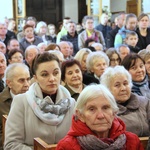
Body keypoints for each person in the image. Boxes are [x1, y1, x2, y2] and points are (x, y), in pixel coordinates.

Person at [4, 52, 76, 149]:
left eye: (56, 73)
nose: (52, 79)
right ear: (35, 78)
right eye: (45, 75)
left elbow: (77, 139)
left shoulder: (71, 103)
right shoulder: (21, 102)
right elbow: (11, 144)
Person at [56, 84, 144, 150]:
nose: (100, 116)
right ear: (80, 115)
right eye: (92, 109)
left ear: (114, 113)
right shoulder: (66, 146)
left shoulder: (132, 142)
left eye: (105, 108)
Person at [101, 65, 150, 137]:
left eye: (125, 83)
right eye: (117, 85)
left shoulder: (144, 102)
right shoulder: (105, 109)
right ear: (108, 89)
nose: (123, 88)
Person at [0, 63, 30, 149]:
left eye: (28, 79)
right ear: (9, 83)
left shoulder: (37, 99)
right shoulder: (1, 102)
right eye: (21, 80)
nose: (27, 84)